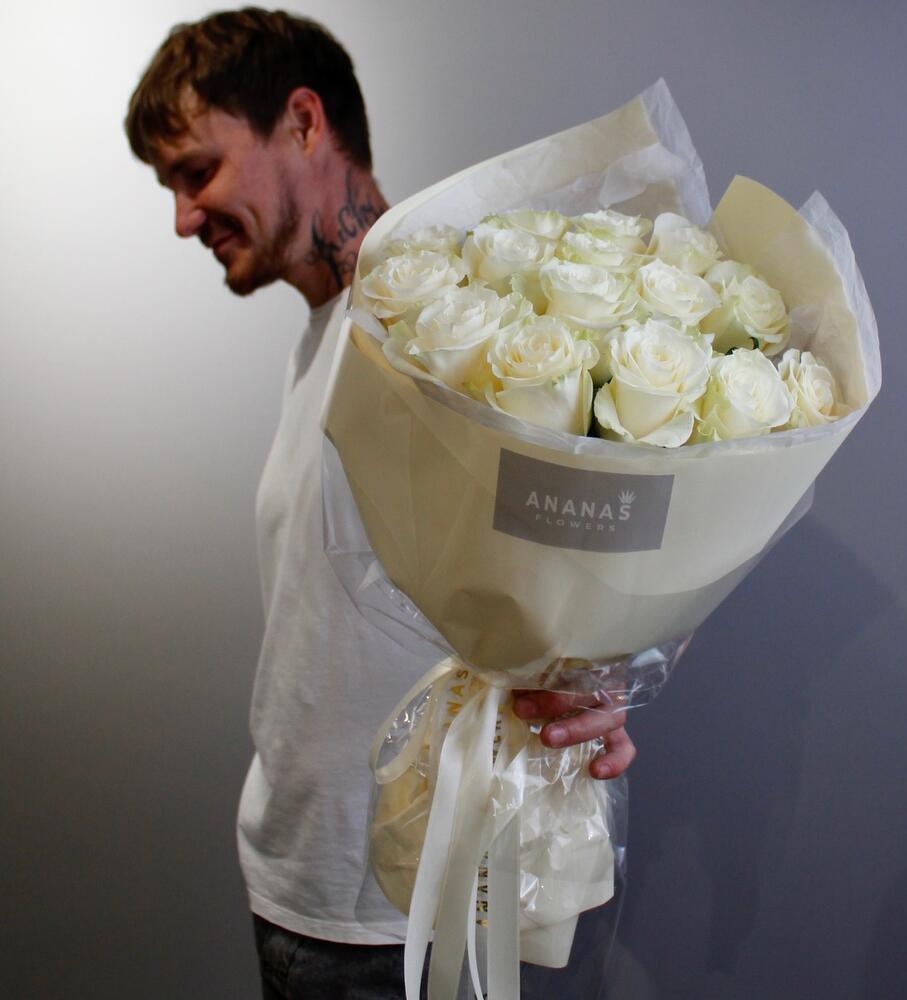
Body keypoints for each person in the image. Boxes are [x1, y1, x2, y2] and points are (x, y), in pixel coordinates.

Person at [125, 8, 637, 998]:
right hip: (300, 887)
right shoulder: (326, 333)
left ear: (303, 122)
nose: (184, 217)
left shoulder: (448, 332)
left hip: (402, 921)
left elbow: (597, 548)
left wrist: (608, 676)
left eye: (198, 171)